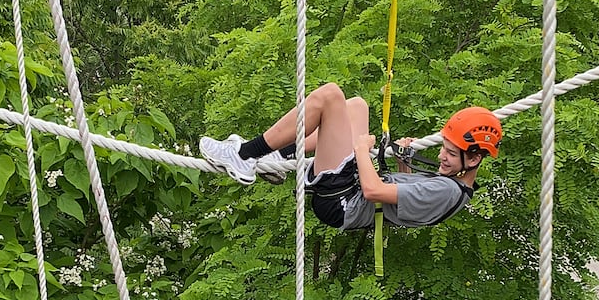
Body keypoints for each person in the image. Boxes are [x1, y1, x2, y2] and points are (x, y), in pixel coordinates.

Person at [199, 82, 502, 231]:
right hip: (351, 189)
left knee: (330, 96)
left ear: (473, 160)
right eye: (444, 147)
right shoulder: (452, 187)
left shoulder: (447, 190)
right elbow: (403, 204)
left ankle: (245, 156)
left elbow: (374, 191)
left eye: (450, 152)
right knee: (356, 106)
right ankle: (280, 155)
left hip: (342, 201)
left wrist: (361, 150)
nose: (441, 155)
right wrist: (402, 163)